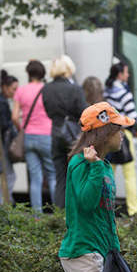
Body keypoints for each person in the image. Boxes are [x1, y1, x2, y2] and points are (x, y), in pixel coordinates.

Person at [41, 101, 134, 272]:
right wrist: (92, 167)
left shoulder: (103, 166)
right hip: (84, 253)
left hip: (95, 254)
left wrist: (115, 255)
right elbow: (86, 204)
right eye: (118, 129)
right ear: (103, 133)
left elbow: (107, 218)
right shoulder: (82, 164)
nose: (123, 134)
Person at [43, 55, 87, 208]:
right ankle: (76, 215)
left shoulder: (46, 89)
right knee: (77, 176)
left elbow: (48, 113)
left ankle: (60, 215)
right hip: (73, 137)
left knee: (60, 179)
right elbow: (84, 114)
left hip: (56, 136)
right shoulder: (74, 88)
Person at [13, 60, 57, 211]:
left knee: (35, 178)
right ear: (43, 74)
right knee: (52, 175)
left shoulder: (20, 91)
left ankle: (36, 217)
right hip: (46, 136)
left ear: (28, 74)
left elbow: (14, 116)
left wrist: (21, 128)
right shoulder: (48, 89)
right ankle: (58, 213)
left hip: (29, 137)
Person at [103, 62, 137, 216]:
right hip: (124, 135)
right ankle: (133, 210)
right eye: (126, 72)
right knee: (129, 176)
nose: (128, 75)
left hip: (107, 136)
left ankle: (106, 208)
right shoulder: (125, 93)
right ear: (120, 74)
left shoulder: (107, 92)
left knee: (108, 175)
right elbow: (131, 117)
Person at [0, 69, 19, 203]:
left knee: (8, 176)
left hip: (2, 143)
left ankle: (6, 202)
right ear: (5, 87)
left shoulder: (1, 101)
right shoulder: (1, 103)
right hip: (3, 144)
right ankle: (4, 204)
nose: (15, 93)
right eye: (13, 89)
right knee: (9, 176)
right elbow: (3, 125)